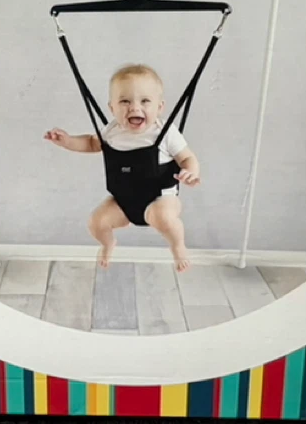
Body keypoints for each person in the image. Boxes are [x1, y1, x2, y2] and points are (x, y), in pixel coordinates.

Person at [44, 63, 199, 272]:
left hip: (161, 199)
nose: (134, 107)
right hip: (123, 201)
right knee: (96, 222)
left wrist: (190, 172)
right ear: (112, 108)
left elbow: (187, 157)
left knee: (163, 218)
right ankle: (108, 244)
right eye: (125, 101)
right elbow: (90, 143)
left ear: (160, 107)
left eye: (145, 101)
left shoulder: (165, 133)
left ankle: (178, 247)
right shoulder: (112, 131)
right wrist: (67, 141)